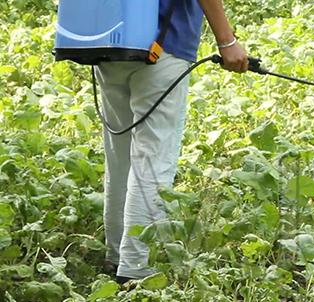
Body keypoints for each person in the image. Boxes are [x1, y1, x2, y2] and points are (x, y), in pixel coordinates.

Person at [97, 0, 248, 284]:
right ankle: (135, 269)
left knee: (119, 158)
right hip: (164, 45)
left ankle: (116, 256)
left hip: (107, 42)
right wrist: (227, 41)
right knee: (153, 158)